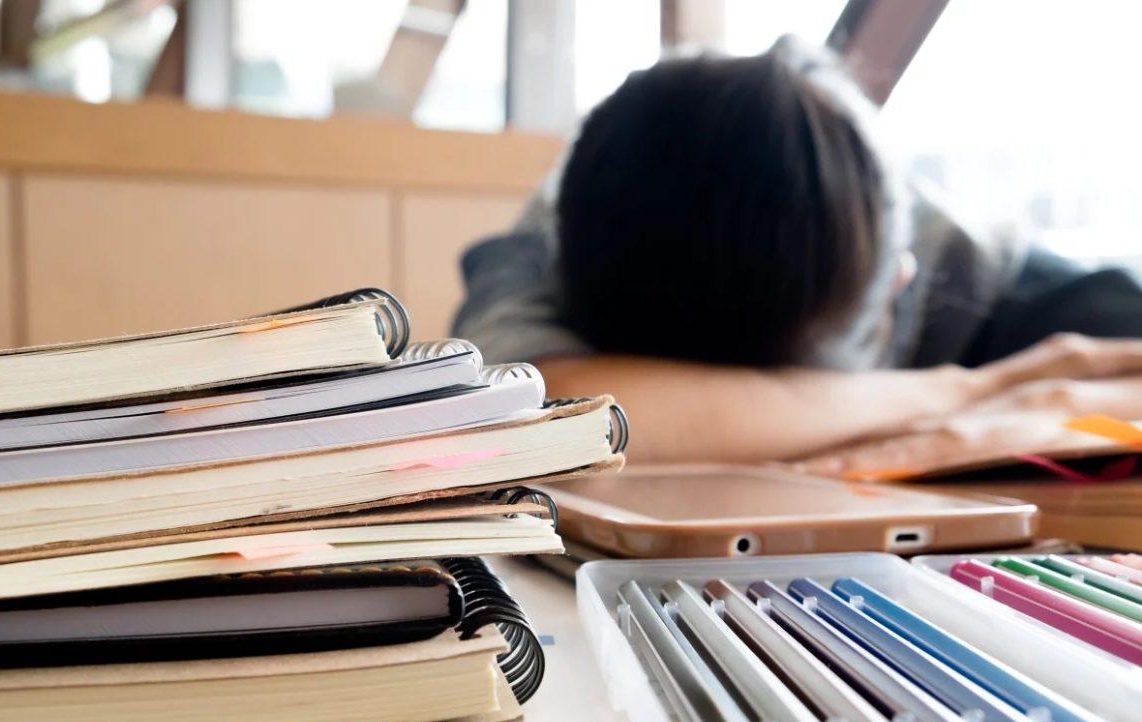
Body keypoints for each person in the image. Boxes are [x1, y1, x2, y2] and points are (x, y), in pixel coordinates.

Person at [452, 38, 1142, 469]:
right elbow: (534, 416)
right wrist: (964, 391)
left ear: (901, 290)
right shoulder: (562, 229)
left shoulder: (997, 284)